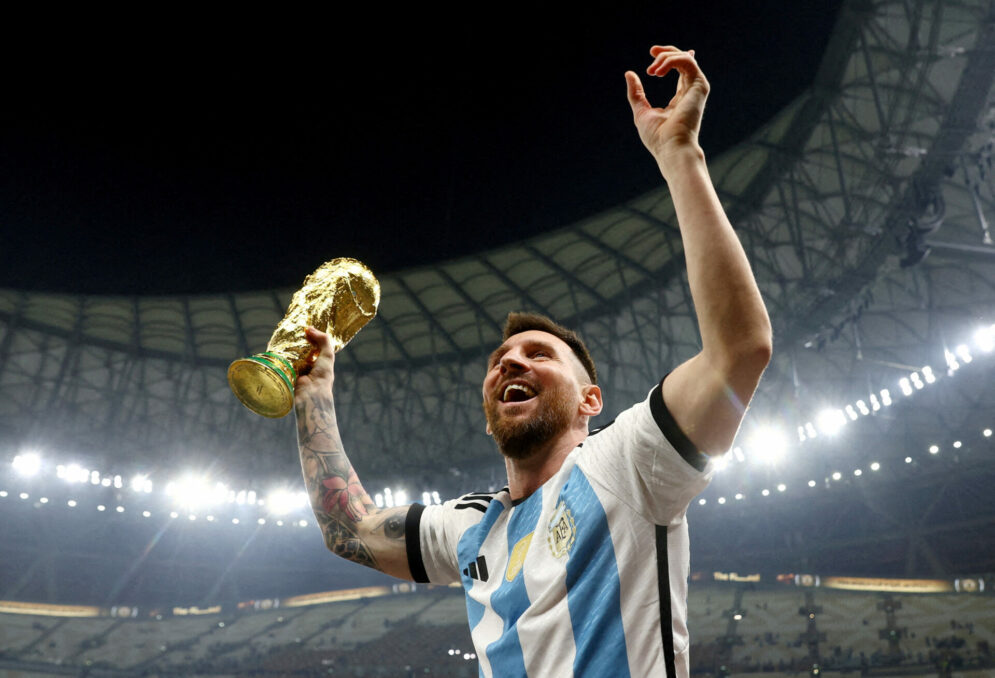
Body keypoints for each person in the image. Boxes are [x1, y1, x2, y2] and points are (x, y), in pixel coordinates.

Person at [294, 45, 772, 678]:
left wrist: (680, 156)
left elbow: (740, 351)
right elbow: (346, 527)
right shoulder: (469, 528)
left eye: (538, 354)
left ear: (590, 401)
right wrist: (314, 394)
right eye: (500, 360)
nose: (510, 363)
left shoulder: (626, 463)